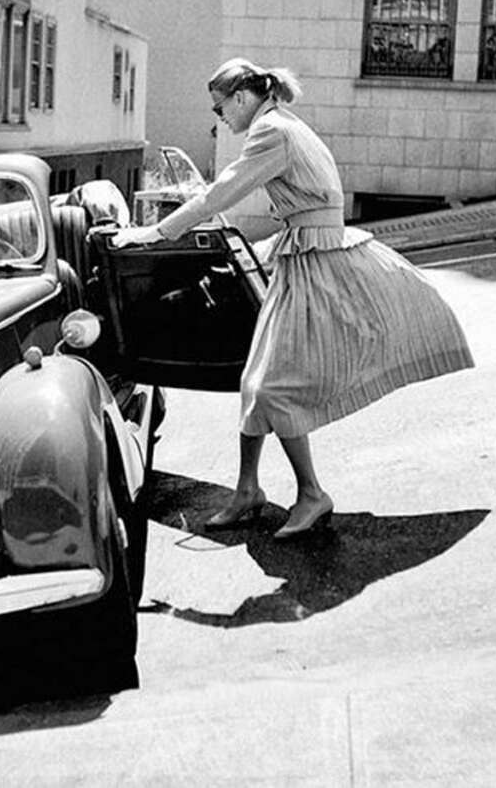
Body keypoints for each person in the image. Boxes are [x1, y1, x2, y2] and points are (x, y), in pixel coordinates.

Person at [112, 58, 474, 539]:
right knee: (254, 378)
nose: (220, 119)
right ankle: (247, 491)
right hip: (303, 253)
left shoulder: (271, 133)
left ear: (242, 99)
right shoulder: (285, 123)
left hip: (315, 263)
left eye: (221, 109)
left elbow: (222, 193)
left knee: (274, 386)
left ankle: (310, 495)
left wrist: (154, 233)